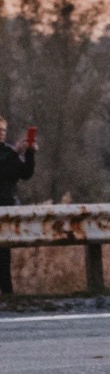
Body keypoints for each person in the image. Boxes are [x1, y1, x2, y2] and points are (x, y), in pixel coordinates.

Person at [0, 116, 35, 294]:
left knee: (4, 255)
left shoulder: (8, 151)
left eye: (3, 131)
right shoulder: (10, 153)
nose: (1, 134)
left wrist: (29, 153)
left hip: (6, 207)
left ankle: (7, 294)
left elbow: (25, 174)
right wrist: (16, 153)